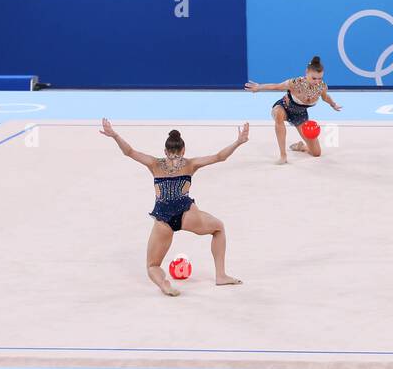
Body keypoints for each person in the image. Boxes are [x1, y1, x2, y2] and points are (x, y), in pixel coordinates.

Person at [100, 120, 248, 296]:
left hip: (163, 219)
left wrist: (115, 135)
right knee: (218, 228)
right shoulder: (190, 164)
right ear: (183, 150)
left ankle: (164, 284)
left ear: (165, 151)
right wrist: (238, 142)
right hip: (187, 214)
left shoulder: (154, 164)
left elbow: (129, 152)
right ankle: (221, 275)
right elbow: (219, 157)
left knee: (152, 266)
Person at [245, 56, 341, 164]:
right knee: (278, 115)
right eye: (314, 78)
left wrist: (333, 104)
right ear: (307, 73)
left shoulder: (321, 87)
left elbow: (325, 97)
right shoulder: (295, 83)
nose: (317, 81)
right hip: (284, 107)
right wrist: (259, 87)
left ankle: (301, 146)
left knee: (316, 153)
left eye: (320, 78)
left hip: (300, 115)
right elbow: (276, 86)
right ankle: (283, 155)